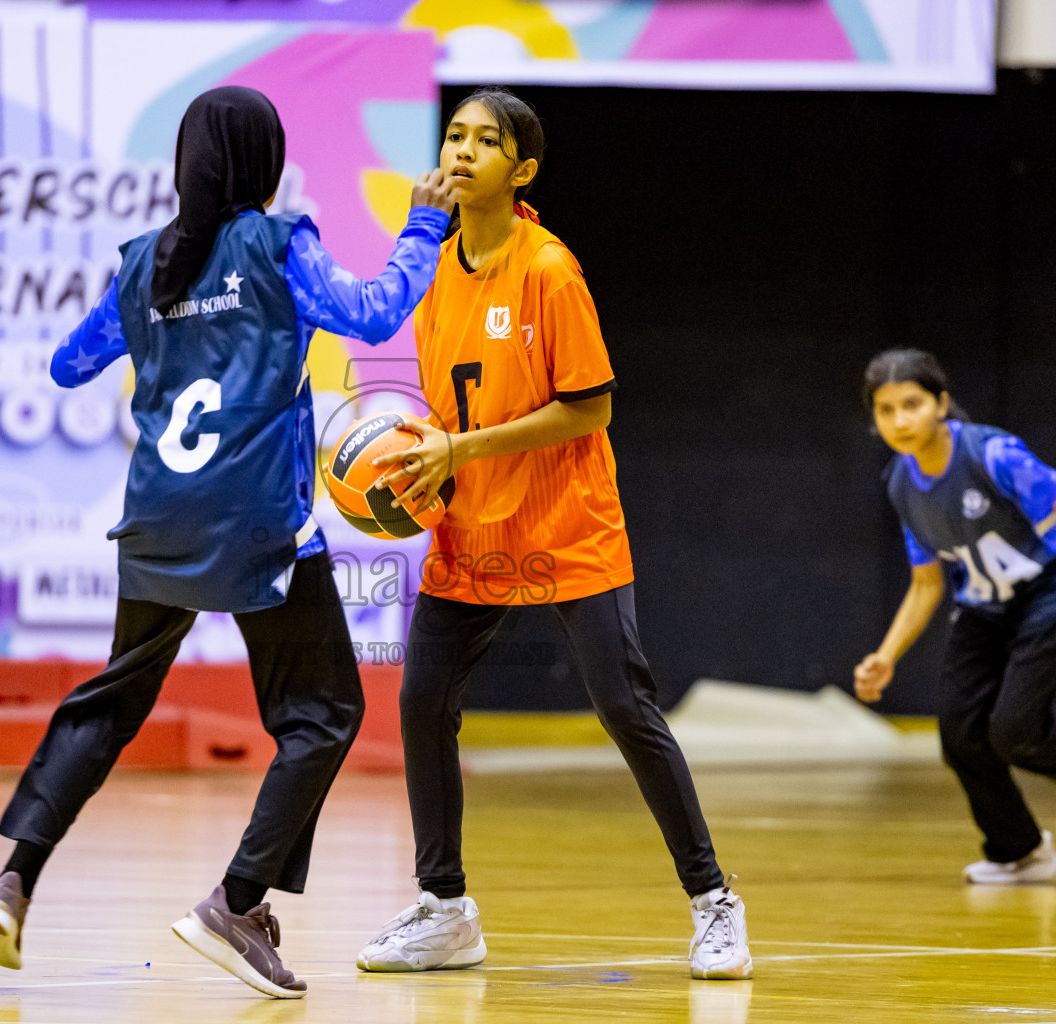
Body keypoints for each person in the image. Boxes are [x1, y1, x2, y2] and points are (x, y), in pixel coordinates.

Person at [0, 85, 456, 999]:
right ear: (263, 163)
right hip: (258, 522)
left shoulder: (145, 263)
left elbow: (69, 365)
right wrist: (423, 227)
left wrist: (161, 330)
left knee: (109, 706)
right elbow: (378, 311)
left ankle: (12, 883)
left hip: (156, 519)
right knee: (323, 717)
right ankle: (235, 901)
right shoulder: (278, 245)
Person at [353, 88, 751, 981]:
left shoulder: (549, 269)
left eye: (484, 142)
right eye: (453, 136)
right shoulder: (432, 268)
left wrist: (464, 444)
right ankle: (445, 909)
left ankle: (713, 899)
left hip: (566, 524)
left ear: (522, 171)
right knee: (422, 705)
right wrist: (423, 464)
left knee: (623, 706)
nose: (461, 153)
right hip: (468, 526)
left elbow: (590, 408)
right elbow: (446, 402)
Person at [854, 348, 1056, 884]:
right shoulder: (901, 485)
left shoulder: (991, 455)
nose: (899, 420)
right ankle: (1020, 850)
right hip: (983, 607)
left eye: (911, 404)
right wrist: (885, 656)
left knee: (1012, 729)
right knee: (960, 737)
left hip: (1046, 593)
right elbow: (925, 583)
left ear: (940, 404)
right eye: (885, 410)